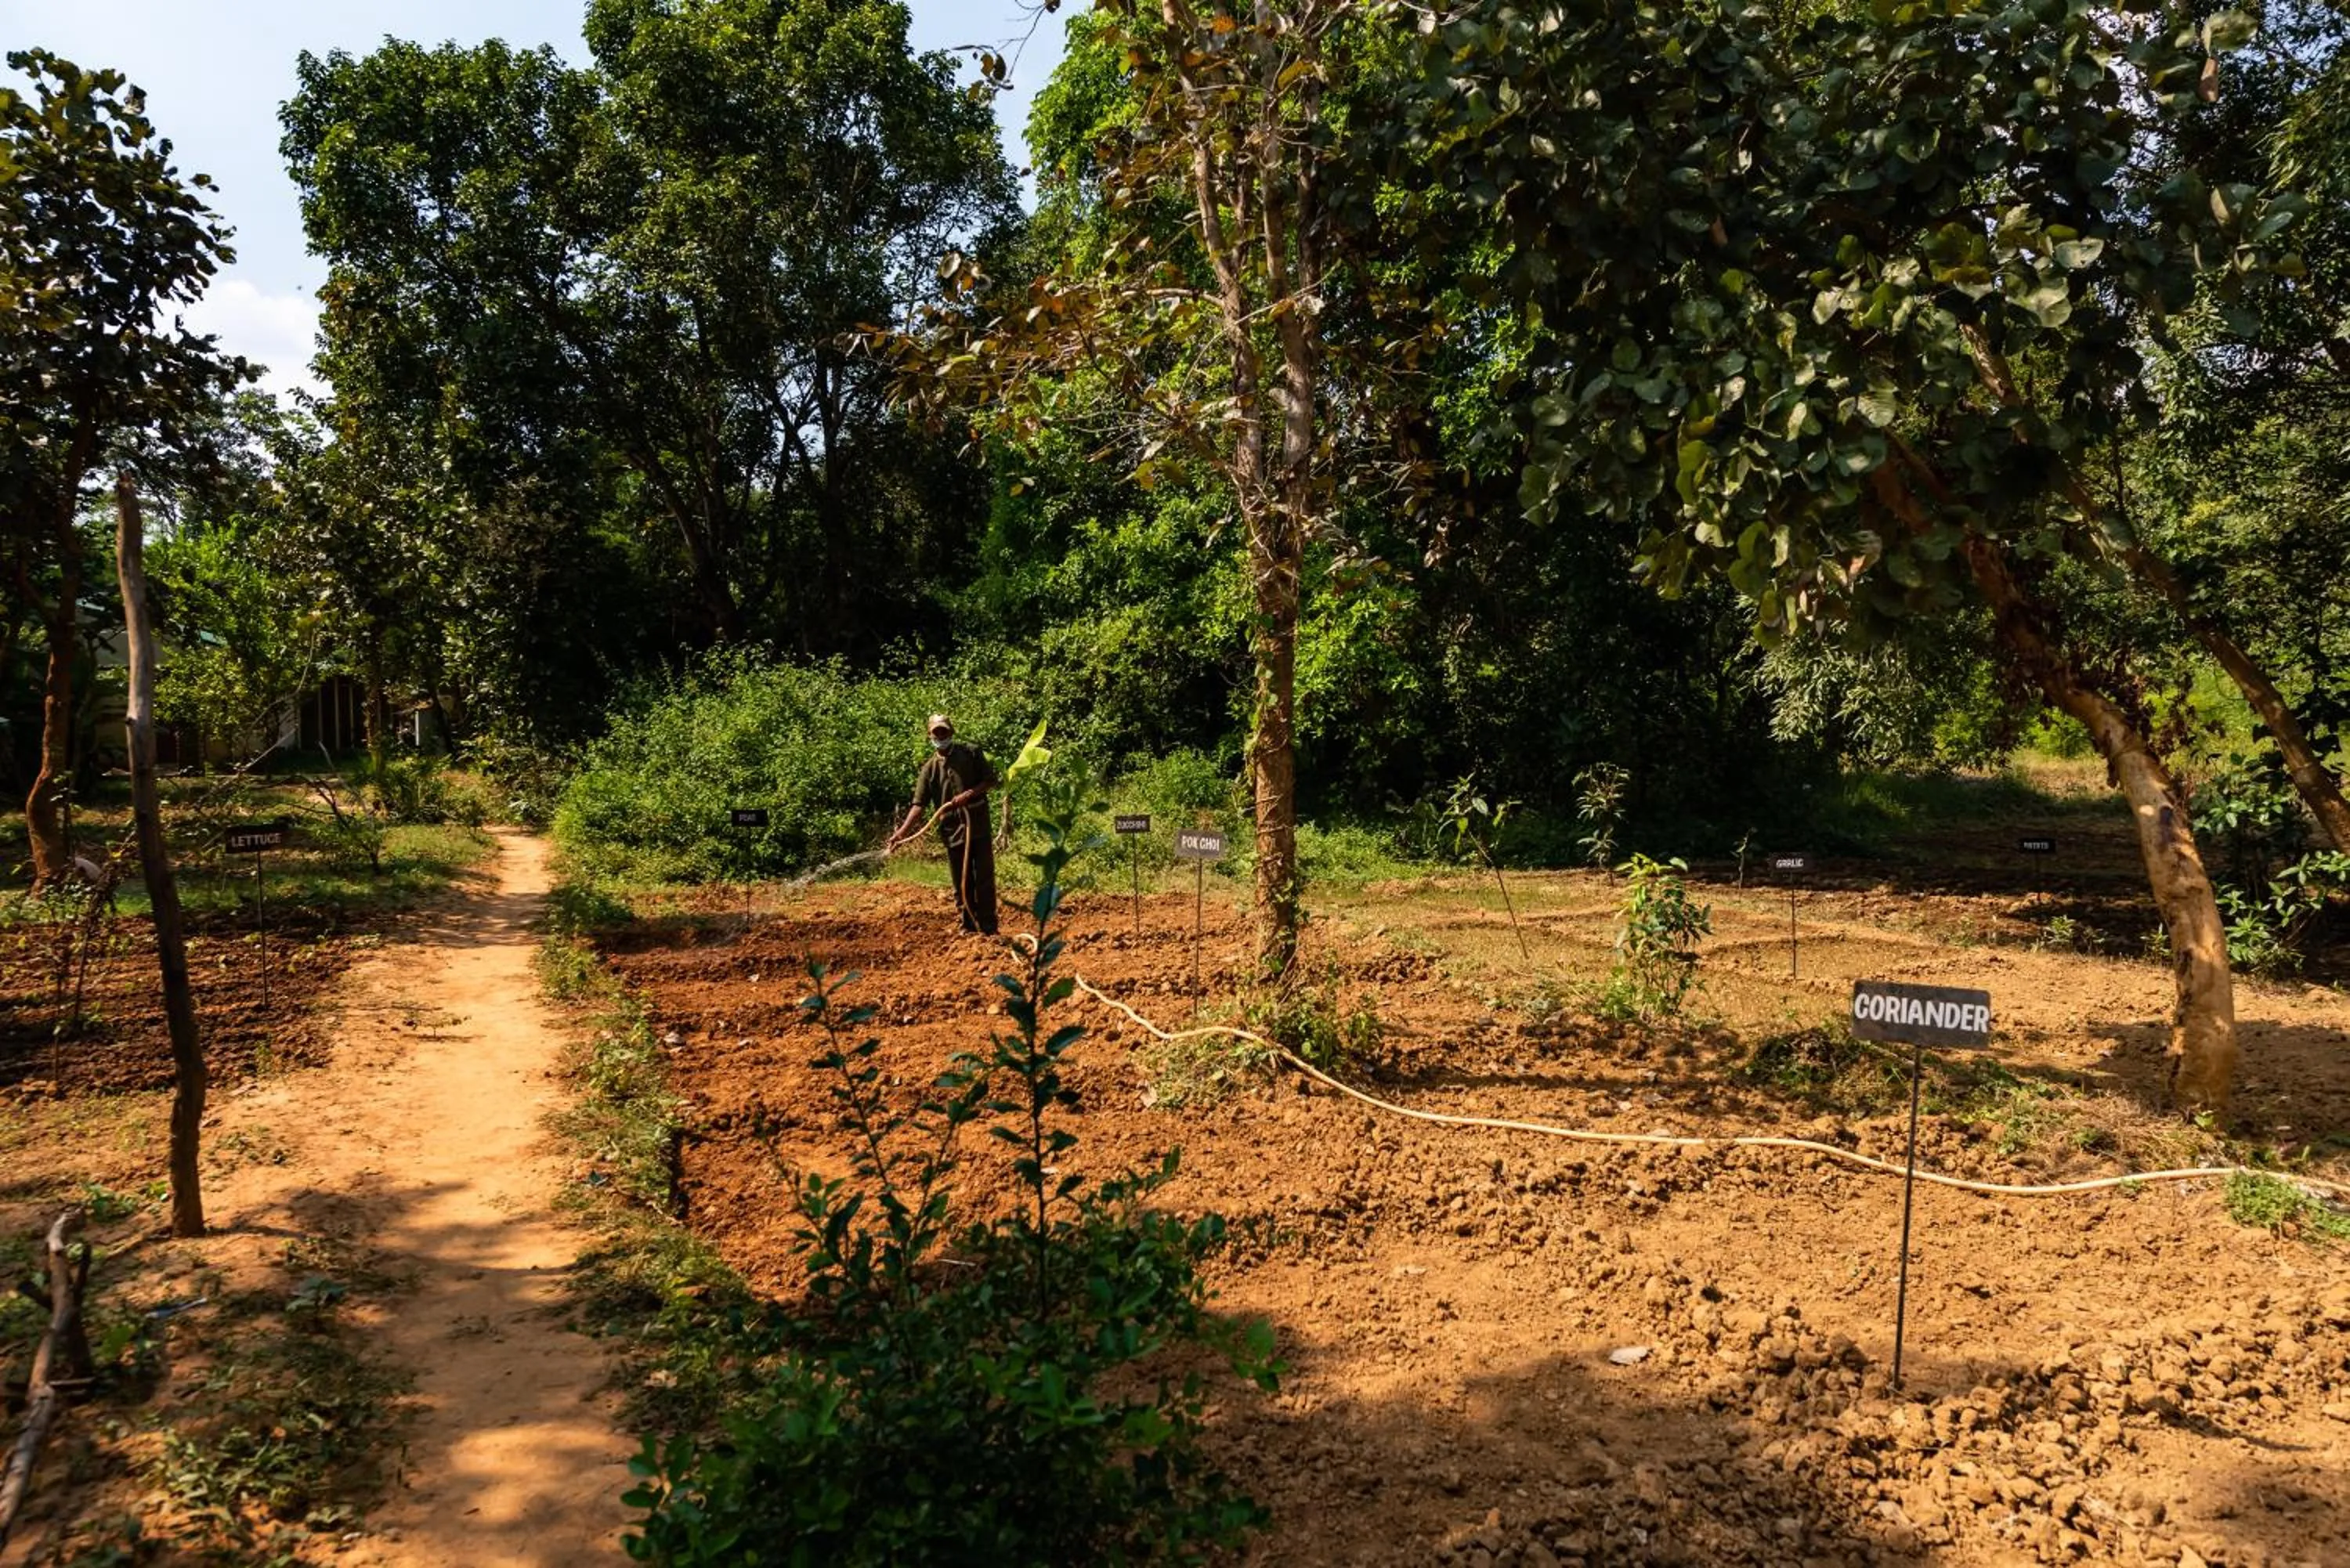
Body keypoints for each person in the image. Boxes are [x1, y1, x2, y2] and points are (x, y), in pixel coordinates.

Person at [886, 714, 1005, 934]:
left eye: (944, 731)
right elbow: (918, 806)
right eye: (936, 732)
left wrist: (970, 794)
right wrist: (901, 833)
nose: (941, 735)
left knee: (985, 879)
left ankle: (989, 928)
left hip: (977, 825)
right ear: (929, 735)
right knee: (962, 881)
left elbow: (991, 781)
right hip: (951, 831)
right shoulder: (929, 769)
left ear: (952, 732)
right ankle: (968, 927)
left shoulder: (971, 753)